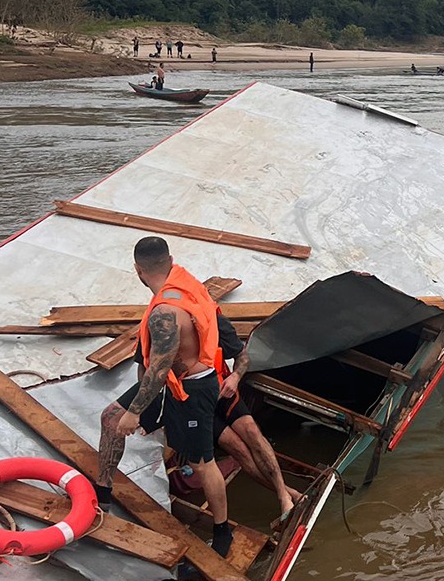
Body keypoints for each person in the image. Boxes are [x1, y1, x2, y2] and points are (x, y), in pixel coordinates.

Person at [97, 237, 233, 556]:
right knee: (109, 417)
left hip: (192, 388)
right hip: (172, 381)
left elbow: (158, 371)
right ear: (170, 260)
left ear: (137, 270)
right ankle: (102, 493)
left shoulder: (165, 312)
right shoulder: (183, 282)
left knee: (203, 464)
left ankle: (223, 531)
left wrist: (135, 413)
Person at [133, 312, 302, 517]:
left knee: (252, 432)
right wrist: (146, 411)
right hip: (193, 402)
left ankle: (284, 496)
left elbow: (242, 356)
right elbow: (144, 370)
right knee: (237, 448)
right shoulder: (157, 326)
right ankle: (287, 493)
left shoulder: (212, 319)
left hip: (222, 389)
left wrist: (236, 377)